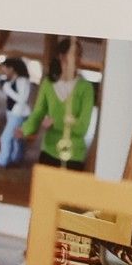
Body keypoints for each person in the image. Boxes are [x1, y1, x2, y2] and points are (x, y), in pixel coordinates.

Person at [19, 37, 95, 168]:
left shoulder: (86, 88)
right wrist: (25, 129)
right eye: (73, 54)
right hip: (49, 152)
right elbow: (38, 112)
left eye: (79, 55)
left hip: (74, 157)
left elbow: (82, 128)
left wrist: (55, 123)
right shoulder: (48, 84)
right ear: (61, 56)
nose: (77, 58)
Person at [0, 56, 35, 168]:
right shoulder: (14, 80)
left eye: (5, 69)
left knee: (5, 138)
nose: (4, 72)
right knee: (17, 138)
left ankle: (2, 161)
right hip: (14, 113)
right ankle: (16, 159)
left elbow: (22, 99)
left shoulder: (23, 81)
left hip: (18, 114)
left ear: (12, 68)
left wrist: (7, 89)